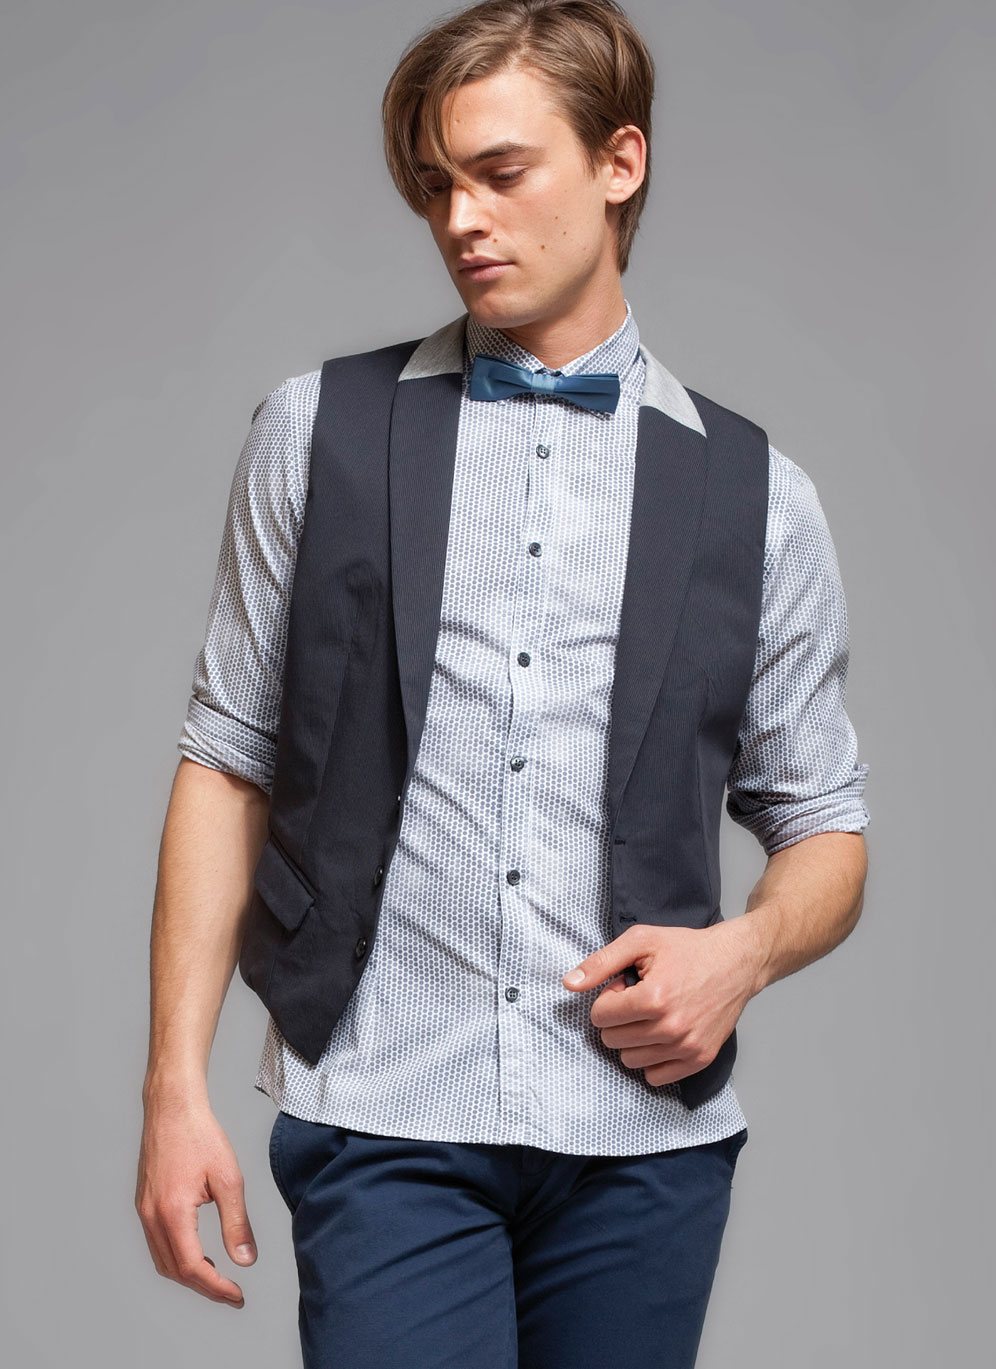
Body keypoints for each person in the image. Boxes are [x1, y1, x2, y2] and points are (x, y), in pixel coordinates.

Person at [136, 2, 870, 1366]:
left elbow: (824, 823)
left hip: (642, 1139)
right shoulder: (316, 432)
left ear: (619, 162)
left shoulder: (760, 497)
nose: (459, 219)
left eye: (501, 172)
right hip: (384, 1108)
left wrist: (744, 953)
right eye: (436, 184)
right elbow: (227, 760)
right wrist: (173, 1088)